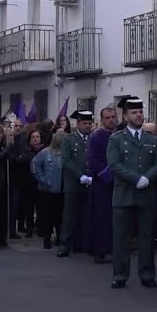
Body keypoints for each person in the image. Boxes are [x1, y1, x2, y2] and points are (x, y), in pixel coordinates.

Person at [107, 98, 157, 289]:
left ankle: (147, 274)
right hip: (124, 195)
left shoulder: (152, 140)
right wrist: (135, 179)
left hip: (146, 195)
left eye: (140, 112)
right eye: (134, 112)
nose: (139, 115)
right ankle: (120, 274)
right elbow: (114, 164)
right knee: (121, 238)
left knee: (146, 237)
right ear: (125, 116)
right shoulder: (116, 139)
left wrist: (147, 178)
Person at [85, 105, 120, 263]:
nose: (111, 120)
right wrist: (108, 174)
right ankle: (100, 251)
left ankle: (114, 248)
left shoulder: (120, 135)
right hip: (102, 183)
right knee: (101, 217)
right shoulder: (96, 136)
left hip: (119, 182)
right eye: (107, 118)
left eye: (113, 117)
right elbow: (93, 160)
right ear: (102, 120)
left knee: (116, 217)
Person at [57, 110, 93, 258]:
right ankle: (64, 245)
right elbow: (66, 161)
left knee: (87, 215)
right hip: (73, 184)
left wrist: (91, 176)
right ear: (78, 124)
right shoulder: (69, 139)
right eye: (85, 123)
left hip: (90, 183)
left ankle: (83, 243)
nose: (88, 126)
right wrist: (80, 175)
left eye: (89, 123)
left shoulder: (93, 138)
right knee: (69, 216)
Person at [32, 131, 64, 250]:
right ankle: (47, 239)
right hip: (47, 190)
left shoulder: (66, 154)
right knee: (48, 216)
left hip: (62, 189)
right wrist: (42, 178)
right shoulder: (45, 153)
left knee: (60, 216)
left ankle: (59, 237)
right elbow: (34, 165)